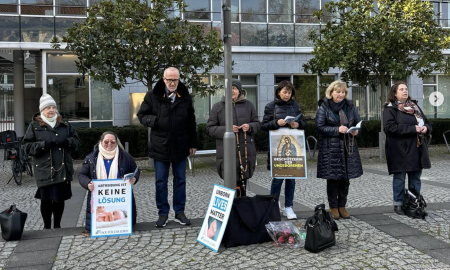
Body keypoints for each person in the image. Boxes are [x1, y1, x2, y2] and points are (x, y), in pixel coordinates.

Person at [137, 67, 198, 228]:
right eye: (169, 80)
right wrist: (155, 121)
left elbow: (191, 121)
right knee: (160, 181)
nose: (172, 83)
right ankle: (162, 213)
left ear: (179, 80)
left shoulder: (185, 96)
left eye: (175, 80)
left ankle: (180, 212)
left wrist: (193, 143)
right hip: (160, 146)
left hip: (180, 145)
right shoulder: (152, 95)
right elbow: (141, 116)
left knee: (180, 181)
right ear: (163, 79)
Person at [22, 93, 80, 230]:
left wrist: (67, 142)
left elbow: (77, 142)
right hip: (44, 169)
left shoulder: (64, 124)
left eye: (53, 107)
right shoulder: (34, 126)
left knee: (59, 199)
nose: (51, 110)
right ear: (42, 110)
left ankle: (58, 226)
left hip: (62, 168)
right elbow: (26, 147)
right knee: (46, 199)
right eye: (48, 108)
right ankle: (47, 227)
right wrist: (43, 145)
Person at [315, 80, 363, 220]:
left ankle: (342, 206)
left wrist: (356, 131)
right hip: (331, 149)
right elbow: (319, 127)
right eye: (338, 92)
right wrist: (337, 129)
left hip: (348, 147)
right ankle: (333, 207)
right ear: (331, 93)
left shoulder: (350, 106)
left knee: (345, 179)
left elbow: (358, 123)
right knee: (333, 179)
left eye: (343, 92)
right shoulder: (324, 107)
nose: (341, 94)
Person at [383, 81, 431, 215]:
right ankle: (398, 204)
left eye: (406, 89)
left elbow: (427, 122)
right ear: (395, 93)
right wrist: (412, 128)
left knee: (415, 177)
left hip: (417, 148)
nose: (405, 91)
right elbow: (389, 127)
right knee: (399, 177)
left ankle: (413, 202)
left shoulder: (414, 106)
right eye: (402, 89)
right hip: (399, 150)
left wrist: (426, 128)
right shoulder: (390, 108)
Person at [78, 131, 139, 236]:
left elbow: (136, 171)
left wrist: (134, 178)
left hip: (121, 195)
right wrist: (87, 183)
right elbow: (81, 175)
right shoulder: (91, 158)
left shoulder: (125, 157)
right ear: (101, 142)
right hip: (97, 196)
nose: (109, 144)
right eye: (106, 142)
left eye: (112, 142)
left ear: (116, 143)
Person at [206, 79, 261, 197]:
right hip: (226, 152)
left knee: (243, 185)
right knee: (229, 185)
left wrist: (250, 126)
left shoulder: (249, 105)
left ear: (240, 90)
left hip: (245, 152)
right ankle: (231, 211)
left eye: (234, 88)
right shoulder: (218, 107)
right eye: (229, 88)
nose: (232, 91)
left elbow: (257, 123)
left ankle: (242, 210)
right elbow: (210, 128)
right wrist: (227, 130)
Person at [261, 80, 307, 220]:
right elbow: (263, 126)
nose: (287, 95)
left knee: (291, 178)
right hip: (277, 148)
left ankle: (289, 207)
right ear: (278, 92)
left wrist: (297, 123)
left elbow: (304, 123)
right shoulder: (271, 106)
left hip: (293, 147)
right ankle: (273, 206)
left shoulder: (295, 106)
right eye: (284, 92)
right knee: (278, 178)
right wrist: (276, 123)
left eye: (289, 92)